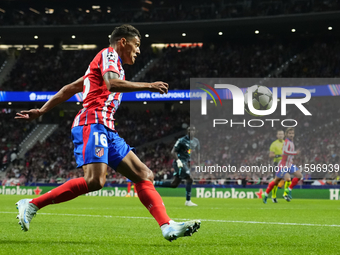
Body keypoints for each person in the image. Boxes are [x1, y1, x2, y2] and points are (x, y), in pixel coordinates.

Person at [15, 24, 200, 241]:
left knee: (144, 175)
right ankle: (32, 204)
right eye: (137, 45)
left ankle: (167, 226)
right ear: (123, 41)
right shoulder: (108, 55)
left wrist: (42, 110)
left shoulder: (105, 66)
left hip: (106, 127)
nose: (139, 51)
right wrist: (149, 85)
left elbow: (70, 88)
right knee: (94, 181)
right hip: (91, 122)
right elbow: (112, 85)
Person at [154, 127, 200, 206]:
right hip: (179, 162)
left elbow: (195, 152)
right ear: (187, 132)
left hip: (185, 162)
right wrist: (178, 161)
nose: (191, 132)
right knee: (190, 178)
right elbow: (173, 151)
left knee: (174, 184)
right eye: (189, 130)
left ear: (195, 132)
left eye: (193, 130)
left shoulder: (196, 141)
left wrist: (195, 162)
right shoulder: (181, 140)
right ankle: (188, 201)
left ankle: (154, 183)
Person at [262, 128, 302, 203]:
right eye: (290, 133)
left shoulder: (290, 142)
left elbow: (288, 153)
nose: (291, 135)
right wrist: (295, 153)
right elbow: (285, 152)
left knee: (299, 175)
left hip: (289, 164)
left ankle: (288, 191)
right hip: (281, 165)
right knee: (277, 181)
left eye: (292, 133)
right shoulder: (281, 143)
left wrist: (291, 157)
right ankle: (266, 194)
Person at [268, 130, 285, 203]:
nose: (281, 135)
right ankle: (273, 196)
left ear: (284, 135)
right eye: (279, 134)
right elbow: (271, 155)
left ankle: (286, 194)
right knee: (276, 181)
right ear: (277, 136)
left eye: (282, 134)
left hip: (285, 164)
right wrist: (279, 155)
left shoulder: (286, 143)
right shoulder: (274, 144)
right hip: (277, 163)